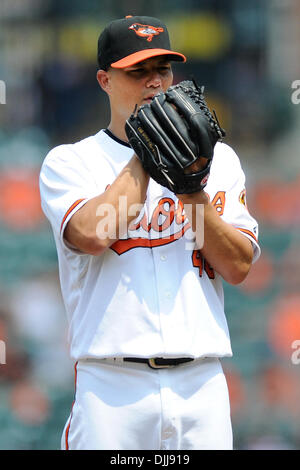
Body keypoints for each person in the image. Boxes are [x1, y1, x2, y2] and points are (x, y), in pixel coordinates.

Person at [39, 15, 260, 450]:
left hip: (203, 383)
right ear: (105, 79)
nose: (154, 82)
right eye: (137, 71)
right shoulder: (70, 162)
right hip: (114, 385)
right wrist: (148, 151)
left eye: (162, 69)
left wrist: (191, 188)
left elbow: (238, 267)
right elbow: (92, 234)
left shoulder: (220, 161)